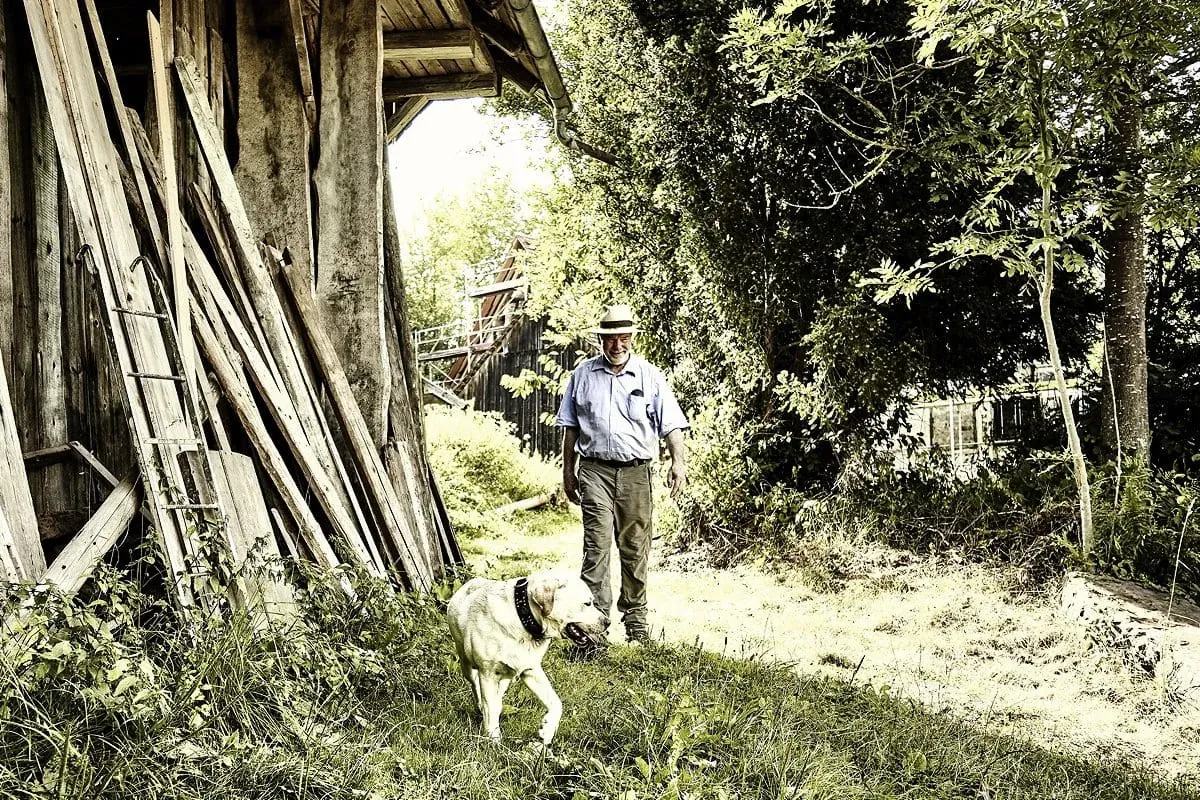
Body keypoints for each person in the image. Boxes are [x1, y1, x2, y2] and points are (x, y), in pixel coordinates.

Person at [556, 304, 688, 646]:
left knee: (634, 548)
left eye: (623, 338)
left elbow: (672, 424)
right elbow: (570, 429)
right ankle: (592, 630)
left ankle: (637, 626)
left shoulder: (649, 376)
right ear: (601, 340)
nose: (617, 346)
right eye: (611, 339)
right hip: (595, 471)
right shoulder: (583, 376)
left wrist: (679, 462)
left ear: (631, 339)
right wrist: (567, 473)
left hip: (636, 475)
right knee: (596, 548)